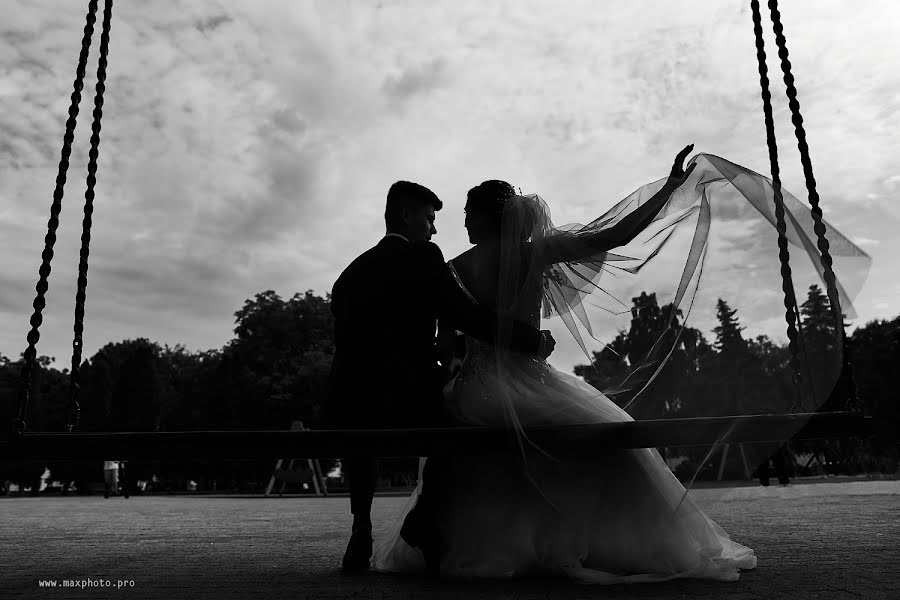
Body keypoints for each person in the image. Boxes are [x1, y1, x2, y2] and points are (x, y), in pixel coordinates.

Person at [326, 180, 556, 573]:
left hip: (349, 399)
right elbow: (463, 314)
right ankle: (424, 519)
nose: (434, 230)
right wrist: (528, 339)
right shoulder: (425, 257)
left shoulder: (350, 274)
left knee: (362, 433)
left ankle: (360, 527)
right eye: (430, 219)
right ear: (406, 215)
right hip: (407, 395)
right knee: (457, 416)